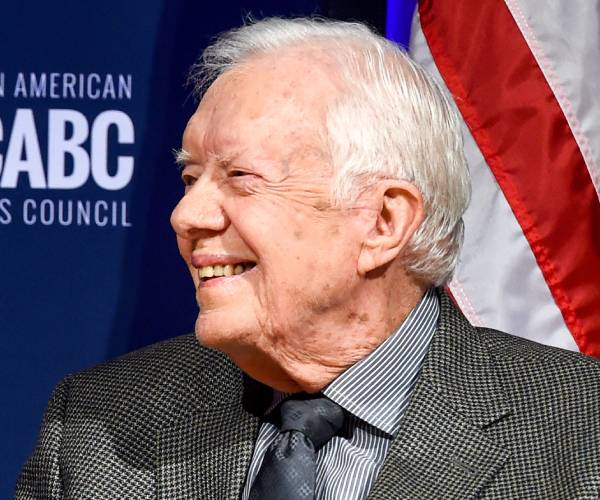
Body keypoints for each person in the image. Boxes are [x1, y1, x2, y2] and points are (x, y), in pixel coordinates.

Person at [16, 17, 600, 500]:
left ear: (383, 222)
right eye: (190, 177)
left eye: (239, 177)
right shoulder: (95, 430)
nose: (186, 215)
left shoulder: (580, 431)